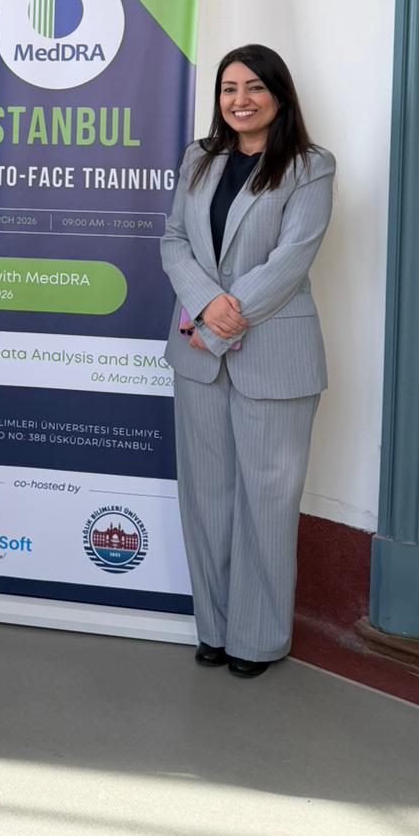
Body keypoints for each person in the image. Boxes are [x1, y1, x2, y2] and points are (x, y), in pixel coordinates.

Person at [160, 44, 334, 679]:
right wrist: (207, 307)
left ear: (279, 96)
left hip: (274, 356)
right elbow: (175, 240)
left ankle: (257, 640)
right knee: (207, 499)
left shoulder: (310, 166)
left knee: (266, 502)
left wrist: (218, 323)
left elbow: (292, 259)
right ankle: (214, 628)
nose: (241, 100)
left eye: (255, 87)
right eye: (229, 88)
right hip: (198, 355)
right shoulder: (198, 159)